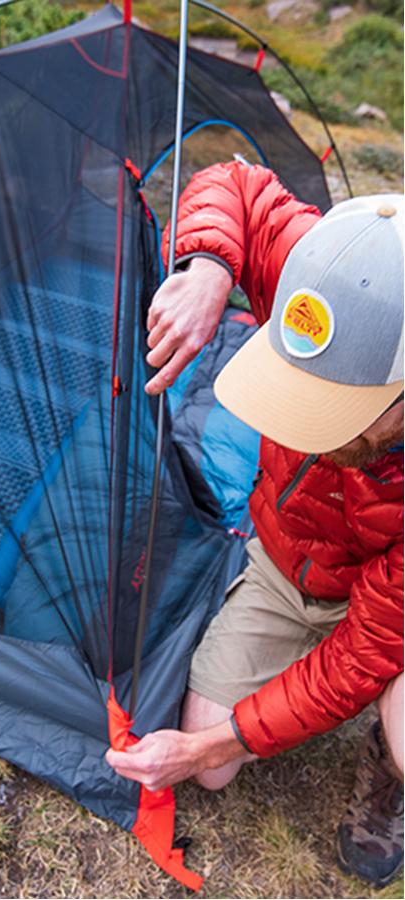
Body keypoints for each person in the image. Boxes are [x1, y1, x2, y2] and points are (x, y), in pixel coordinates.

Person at [104, 161, 404, 887]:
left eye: (336, 417)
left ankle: (390, 768)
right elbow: (235, 184)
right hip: (286, 561)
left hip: (380, 606)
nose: (305, 433)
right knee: (215, 773)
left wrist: (204, 747)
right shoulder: (336, 274)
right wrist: (210, 266)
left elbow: (354, 661)